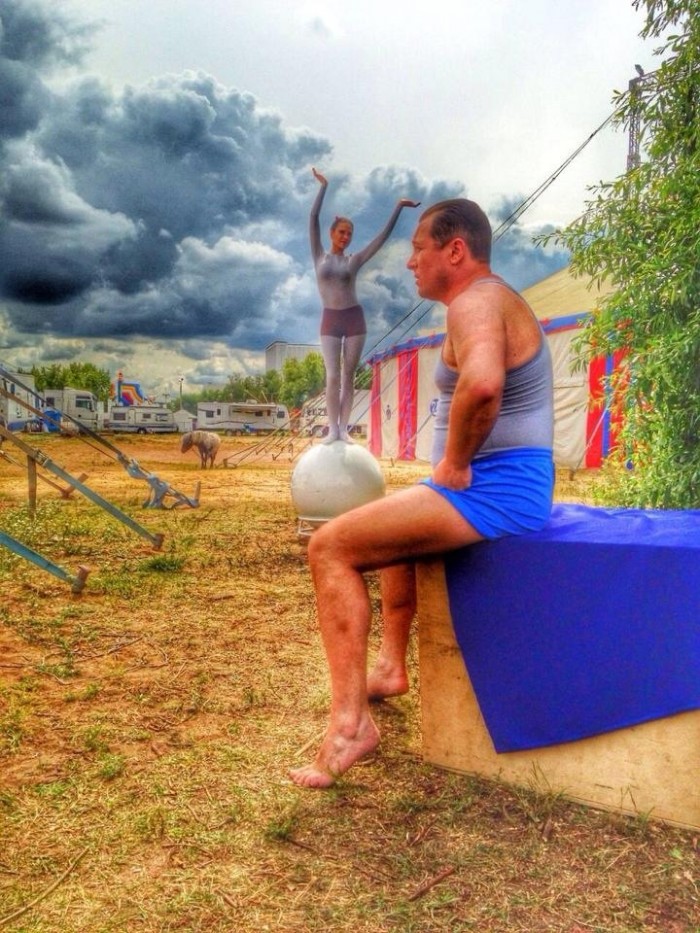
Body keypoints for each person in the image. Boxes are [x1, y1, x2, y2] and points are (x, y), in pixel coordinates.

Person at [290, 197, 555, 788]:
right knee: (390, 521)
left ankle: (351, 726)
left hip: (497, 490)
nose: (410, 262)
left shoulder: (476, 301)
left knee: (329, 547)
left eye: (418, 248)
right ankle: (389, 667)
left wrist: (455, 463)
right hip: (501, 483)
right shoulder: (487, 300)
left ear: (455, 251)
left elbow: (482, 385)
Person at [310, 168, 419, 443]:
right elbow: (313, 218)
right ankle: (332, 428)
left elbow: (381, 239)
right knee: (332, 376)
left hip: (354, 320)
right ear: (332, 233)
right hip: (330, 320)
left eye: (349, 234)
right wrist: (324, 186)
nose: (346, 237)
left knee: (348, 376)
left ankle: (343, 429)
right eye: (342, 232)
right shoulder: (319, 255)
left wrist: (398, 208)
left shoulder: (354, 260)